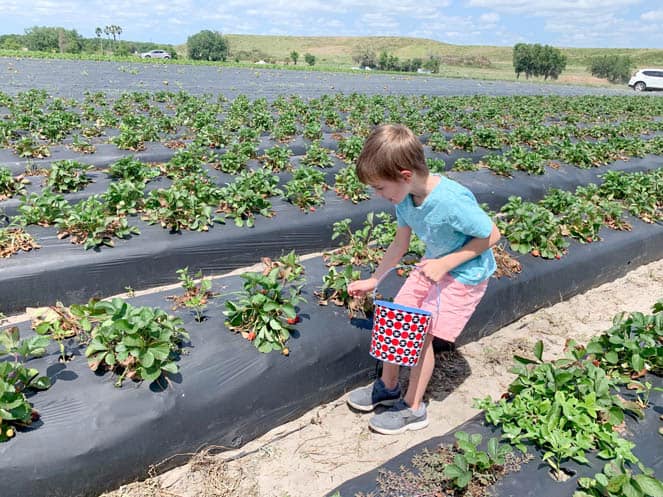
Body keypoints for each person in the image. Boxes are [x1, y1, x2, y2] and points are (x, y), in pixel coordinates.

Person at [346, 124, 501, 435]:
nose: (378, 195)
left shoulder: (451, 200)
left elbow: (492, 235)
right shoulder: (404, 199)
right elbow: (400, 243)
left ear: (404, 176)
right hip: (434, 264)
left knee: (422, 334)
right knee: (399, 318)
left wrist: (447, 262)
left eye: (379, 188)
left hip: (463, 273)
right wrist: (375, 279)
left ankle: (413, 407)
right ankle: (388, 387)